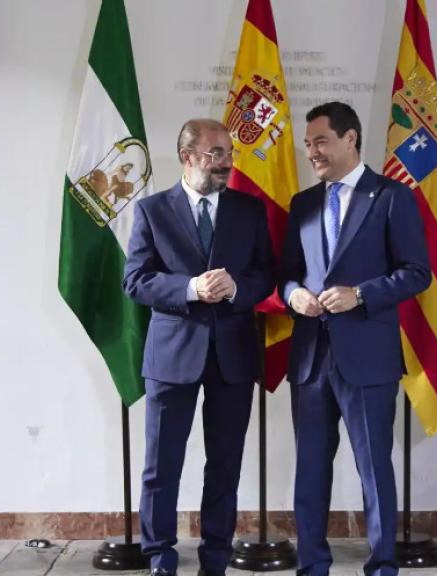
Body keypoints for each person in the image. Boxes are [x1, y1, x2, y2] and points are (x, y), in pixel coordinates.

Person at [280, 102, 431, 576]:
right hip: (309, 359)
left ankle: (382, 565)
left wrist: (361, 294)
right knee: (309, 472)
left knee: (374, 469)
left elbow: (417, 273)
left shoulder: (391, 197)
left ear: (351, 139)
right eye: (308, 144)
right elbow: (286, 275)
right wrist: (295, 295)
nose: (312, 153)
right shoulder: (302, 204)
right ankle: (312, 566)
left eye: (320, 141)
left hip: (367, 357)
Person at [123, 118, 275, 576]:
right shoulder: (151, 210)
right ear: (187, 157)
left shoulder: (249, 210)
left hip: (233, 357)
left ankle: (215, 561)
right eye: (215, 154)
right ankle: (160, 560)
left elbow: (266, 274)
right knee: (160, 467)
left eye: (228, 153)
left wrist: (235, 288)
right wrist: (190, 288)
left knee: (225, 466)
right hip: (172, 357)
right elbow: (136, 280)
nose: (226, 162)